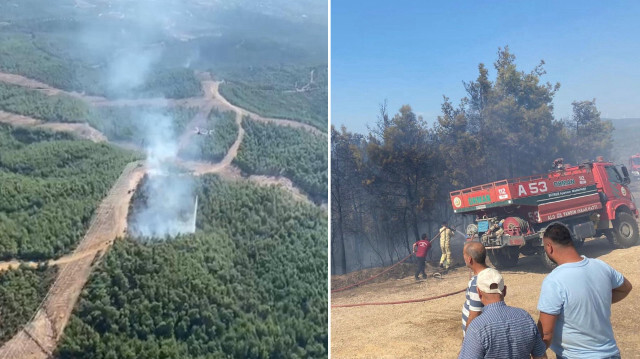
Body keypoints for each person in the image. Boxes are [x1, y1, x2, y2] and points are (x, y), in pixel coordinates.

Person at [536, 223, 633, 359]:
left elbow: (546, 333)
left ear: (549, 247)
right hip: (611, 353)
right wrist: (597, 302)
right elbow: (626, 288)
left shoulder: (554, 281)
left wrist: (534, 353)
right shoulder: (601, 266)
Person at [459, 268, 547, 359]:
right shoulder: (525, 318)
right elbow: (541, 356)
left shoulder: (477, 327)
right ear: (504, 290)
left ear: (479, 293)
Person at [461, 242, 488, 336]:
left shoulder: (476, 283)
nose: (463, 258)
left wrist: (467, 342)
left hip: (475, 338)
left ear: (469, 259)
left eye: (464, 255)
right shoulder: (492, 273)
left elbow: (474, 315)